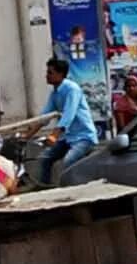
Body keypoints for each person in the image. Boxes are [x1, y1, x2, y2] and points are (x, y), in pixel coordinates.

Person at [38, 57, 100, 187]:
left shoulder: (72, 89)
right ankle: (43, 188)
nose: (46, 76)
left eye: (50, 72)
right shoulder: (55, 92)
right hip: (68, 137)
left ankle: (71, 190)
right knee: (44, 158)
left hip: (84, 137)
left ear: (60, 74)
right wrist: (27, 133)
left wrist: (54, 135)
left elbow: (68, 115)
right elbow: (44, 116)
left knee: (68, 161)